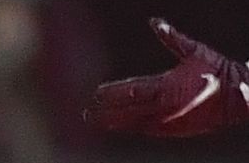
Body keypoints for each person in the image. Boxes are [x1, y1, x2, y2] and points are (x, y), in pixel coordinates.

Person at [88, 18, 249, 137]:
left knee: (139, 97)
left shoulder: (214, 65)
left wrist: (168, 32)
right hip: (200, 106)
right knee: (139, 112)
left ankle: (94, 106)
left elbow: (192, 49)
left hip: (203, 92)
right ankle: (93, 113)